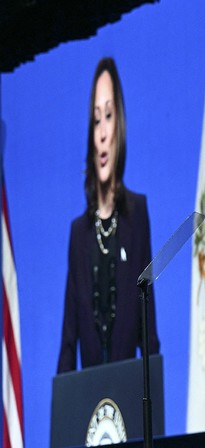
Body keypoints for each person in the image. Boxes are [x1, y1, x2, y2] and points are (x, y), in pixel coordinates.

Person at [57, 57, 160, 373]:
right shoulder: (79, 233)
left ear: (121, 126)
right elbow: (68, 339)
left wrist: (153, 410)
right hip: (89, 405)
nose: (102, 132)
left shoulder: (137, 215)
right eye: (96, 119)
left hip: (129, 397)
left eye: (109, 116)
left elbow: (148, 328)